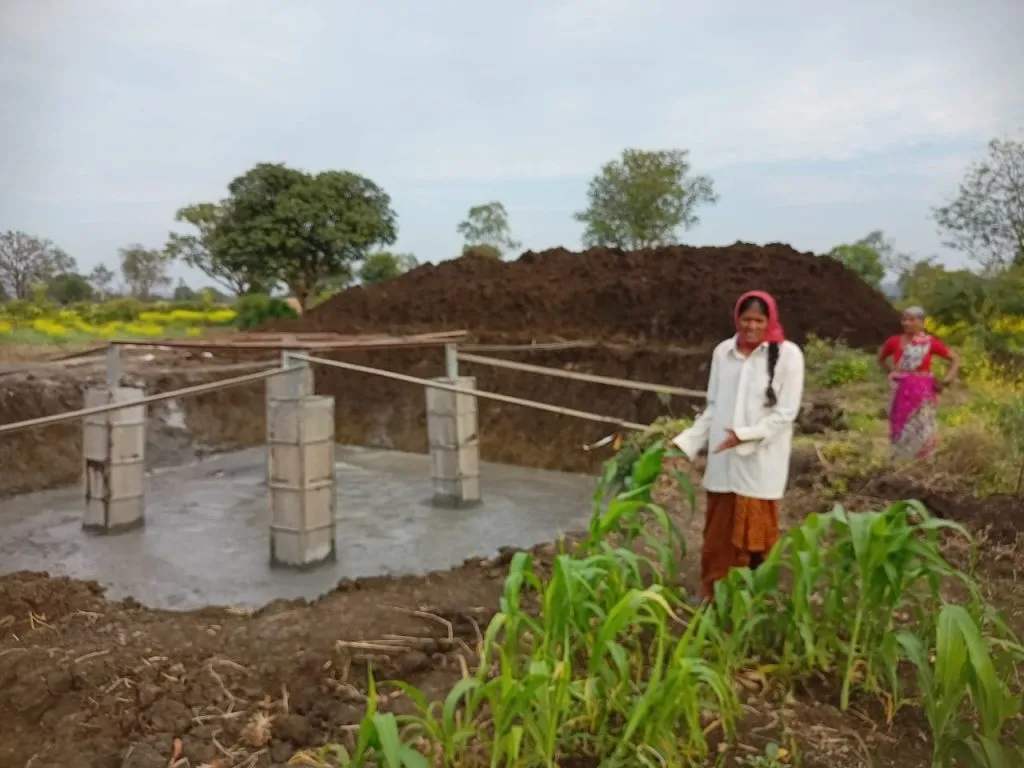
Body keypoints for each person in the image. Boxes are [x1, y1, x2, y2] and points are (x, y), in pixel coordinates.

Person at [672, 291, 805, 602]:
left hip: (761, 460)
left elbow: (786, 412)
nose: (751, 326)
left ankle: (754, 598)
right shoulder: (723, 352)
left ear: (770, 320)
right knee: (719, 533)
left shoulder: (789, 355)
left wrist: (745, 434)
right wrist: (686, 442)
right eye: (746, 319)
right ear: (737, 319)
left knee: (755, 534)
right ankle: (713, 593)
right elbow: (714, 407)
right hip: (723, 458)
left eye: (759, 320)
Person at [878, 306, 959, 460]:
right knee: (900, 423)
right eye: (904, 319)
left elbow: (955, 359)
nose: (906, 323)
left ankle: (923, 459)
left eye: (911, 319)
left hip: (923, 392)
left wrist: (946, 381)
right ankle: (901, 459)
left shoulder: (929, 343)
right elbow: (881, 359)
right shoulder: (893, 342)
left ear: (922, 322)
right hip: (901, 391)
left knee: (923, 425)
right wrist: (893, 374)